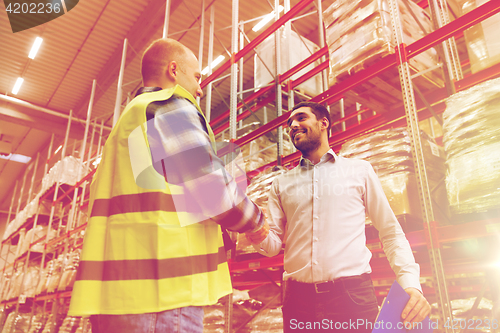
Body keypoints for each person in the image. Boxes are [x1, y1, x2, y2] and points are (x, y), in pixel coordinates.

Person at [68, 38, 268, 333]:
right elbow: (211, 190)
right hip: (162, 297)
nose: (200, 88)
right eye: (197, 76)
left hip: (120, 299)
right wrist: (256, 222)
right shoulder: (166, 105)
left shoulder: (129, 121)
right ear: (174, 70)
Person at [248, 102, 431, 332]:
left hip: (351, 297)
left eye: (301, 118)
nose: (293, 125)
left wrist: (411, 284)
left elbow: (390, 232)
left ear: (323, 122)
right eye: (290, 124)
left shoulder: (359, 171)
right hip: (298, 301)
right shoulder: (281, 183)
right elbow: (273, 246)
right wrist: (252, 226)